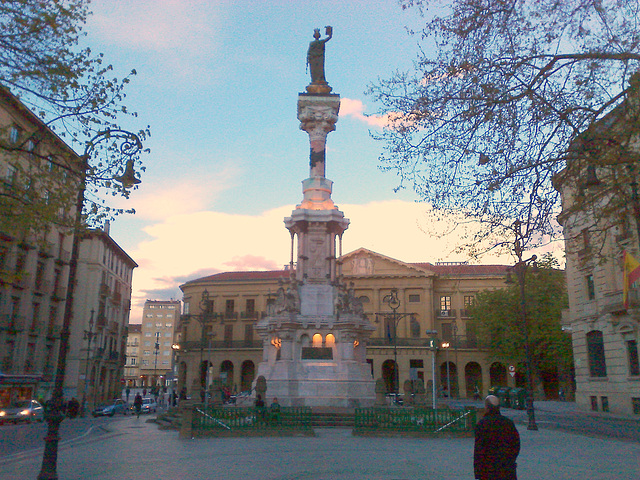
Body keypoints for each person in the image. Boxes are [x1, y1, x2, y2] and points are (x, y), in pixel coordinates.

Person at [474, 395, 520, 480]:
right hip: (507, 469)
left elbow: (479, 450)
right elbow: (516, 445)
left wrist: (478, 473)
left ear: (486, 407)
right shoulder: (508, 423)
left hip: (488, 469)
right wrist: (511, 460)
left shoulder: (482, 424)